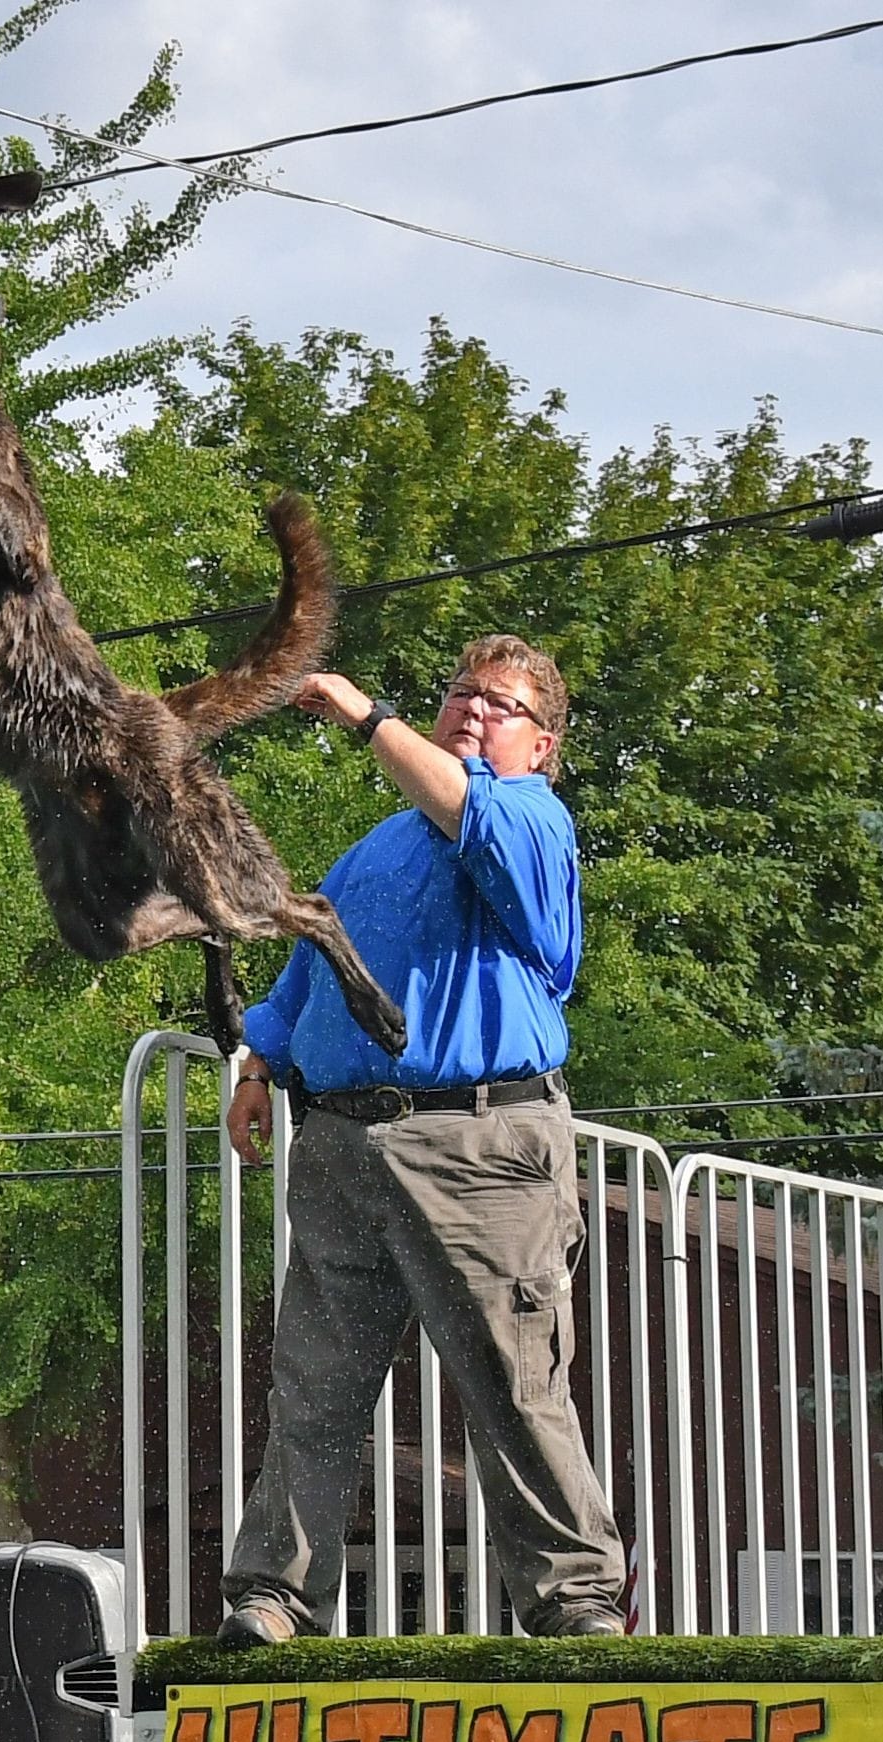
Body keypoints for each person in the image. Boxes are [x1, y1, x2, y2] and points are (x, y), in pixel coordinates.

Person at [218, 634, 625, 1646]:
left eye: (501, 704)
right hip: (344, 1147)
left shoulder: (529, 817)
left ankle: (576, 1604)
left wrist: (365, 715)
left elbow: (465, 806)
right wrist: (259, 1065)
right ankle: (273, 1598)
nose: (474, 710)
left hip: (482, 1148)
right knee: (313, 1387)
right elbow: (310, 967)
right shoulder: (374, 849)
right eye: (460, 693)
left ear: (545, 744)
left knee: (514, 1384)